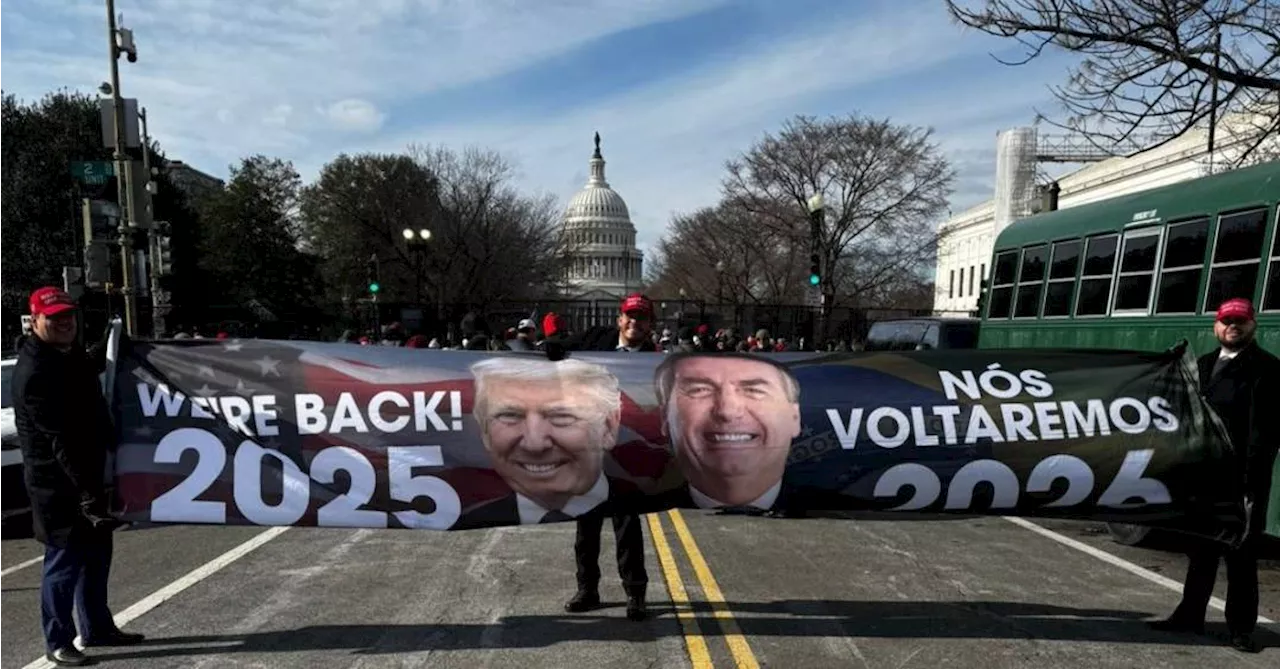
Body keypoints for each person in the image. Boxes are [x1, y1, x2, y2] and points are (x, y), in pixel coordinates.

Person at [12, 287, 144, 667]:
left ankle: (98, 628)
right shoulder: (35, 371)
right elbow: (60, 442)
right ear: (35, 320)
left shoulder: (65, 355)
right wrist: (87, 492)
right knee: (64, 563)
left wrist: (111, 343)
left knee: (98, 555)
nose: (65, 322)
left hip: (90, 475)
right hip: (58, 484)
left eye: (69, 315)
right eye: (54, 318)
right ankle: (58, 641)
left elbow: (89, 367)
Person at [1148, 297, 1278, 654]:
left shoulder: (1267, 370)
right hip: (1204, 477)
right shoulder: (1202, 365)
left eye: (1240, 321)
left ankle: (1240, 629)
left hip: (1242, 481)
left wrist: (1252, 487)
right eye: (1226, 320)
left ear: (1254, 326)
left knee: (1241, 556)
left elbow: (1263, 434)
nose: (1233, 326)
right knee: (1200, 551)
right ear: (1215, 326)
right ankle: (1190, 615)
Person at [561, 293, 656, 621]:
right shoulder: (594, 342)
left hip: (627, 452)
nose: (635, 323)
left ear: (650, 325)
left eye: (642, 318)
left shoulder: (654, 359)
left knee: (627, 525)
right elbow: (556, 349)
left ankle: (635, 593)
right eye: (630, 316)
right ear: (619, 320)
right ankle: (587, 589)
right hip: (589, 446)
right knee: (585, 524)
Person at [462, 357, 621, 525]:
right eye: (510, 415)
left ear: (608, 428)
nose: (534, 444)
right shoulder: (466, 522)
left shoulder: (641, 510)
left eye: (562, 416)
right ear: (485, 431)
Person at [653, 353, 801, 510]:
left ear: (795, 417)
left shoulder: (826, 509)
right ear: (665, 418)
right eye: (700, 390)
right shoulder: (630, 522)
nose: (727, 411)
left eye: (753, 390)